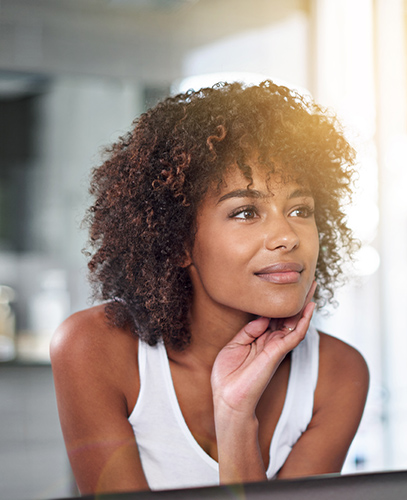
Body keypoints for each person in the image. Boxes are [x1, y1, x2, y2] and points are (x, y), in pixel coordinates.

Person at [50, 80, 369, 495]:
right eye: (245, 211)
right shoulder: (94, 347)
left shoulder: (338, 374)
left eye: (300, 209)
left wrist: (236, 415)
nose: (287, 236)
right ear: (179, 241)